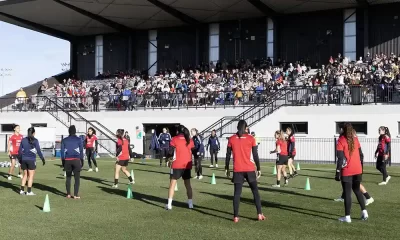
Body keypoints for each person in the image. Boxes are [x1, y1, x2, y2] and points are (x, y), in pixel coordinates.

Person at [225, 120, 265, 222]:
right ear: (246, 127)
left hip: (237, 169)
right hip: (249, 169)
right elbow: (255, 155)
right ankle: (259, 214)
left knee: (237, 193)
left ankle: (236, 216)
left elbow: (228, 155)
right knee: (255, 191)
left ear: (237, 127)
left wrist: (226, 168)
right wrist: (259, 168)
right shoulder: (251, 138)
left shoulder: (231, 139)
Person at [335, 123, 368, 223]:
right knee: (357, 190)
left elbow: (340, 159)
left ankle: (347, 217)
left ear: (343, 130)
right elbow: (361, 155)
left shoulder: (341, 140)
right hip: (358, 170)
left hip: (347, 171)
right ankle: (364, 212)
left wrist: (337, 172)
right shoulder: (356, 139)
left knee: (347, 193)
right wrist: (360, 168)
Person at [334, 127, 374, 205]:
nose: (340, 130)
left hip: (352, 165)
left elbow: (357, 152)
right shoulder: (345, 137)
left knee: (355, 184)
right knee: (347, 182)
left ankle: (368, 197)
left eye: (341, 128)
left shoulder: (352, 138)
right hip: (351, 164)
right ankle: (343, 197)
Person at [165, 125, 194, 210]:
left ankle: (169, 204)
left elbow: (170, 151)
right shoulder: (189, 140)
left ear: (177, 131)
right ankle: (190, 204)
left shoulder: (174, 139)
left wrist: (167, 159)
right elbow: (193, 150)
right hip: (187, 165)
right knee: (188, 185)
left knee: (172, 184)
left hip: (177, 164)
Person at [18, 127, 45, 195]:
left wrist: (20, 160)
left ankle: (21, 190)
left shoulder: (23, 140)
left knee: (25, 175)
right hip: (31, 160)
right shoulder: (35, 140)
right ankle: (29, 191)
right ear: (34, 133)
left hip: (24, 159)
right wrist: (42, 159)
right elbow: (38, 151)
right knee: (31, 176)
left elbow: (19, 151)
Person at [61, 125, 84, 199]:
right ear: (75, 131)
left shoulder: (64, 140)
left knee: (68, 178)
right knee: (77, 178)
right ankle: (75, 195)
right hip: (76, 160)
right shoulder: (79, 139)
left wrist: (63, 162)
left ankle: (68, 194)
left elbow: (62, 152)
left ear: (69, 131)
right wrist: (82, 161)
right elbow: (81, 151)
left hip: (67, 160)